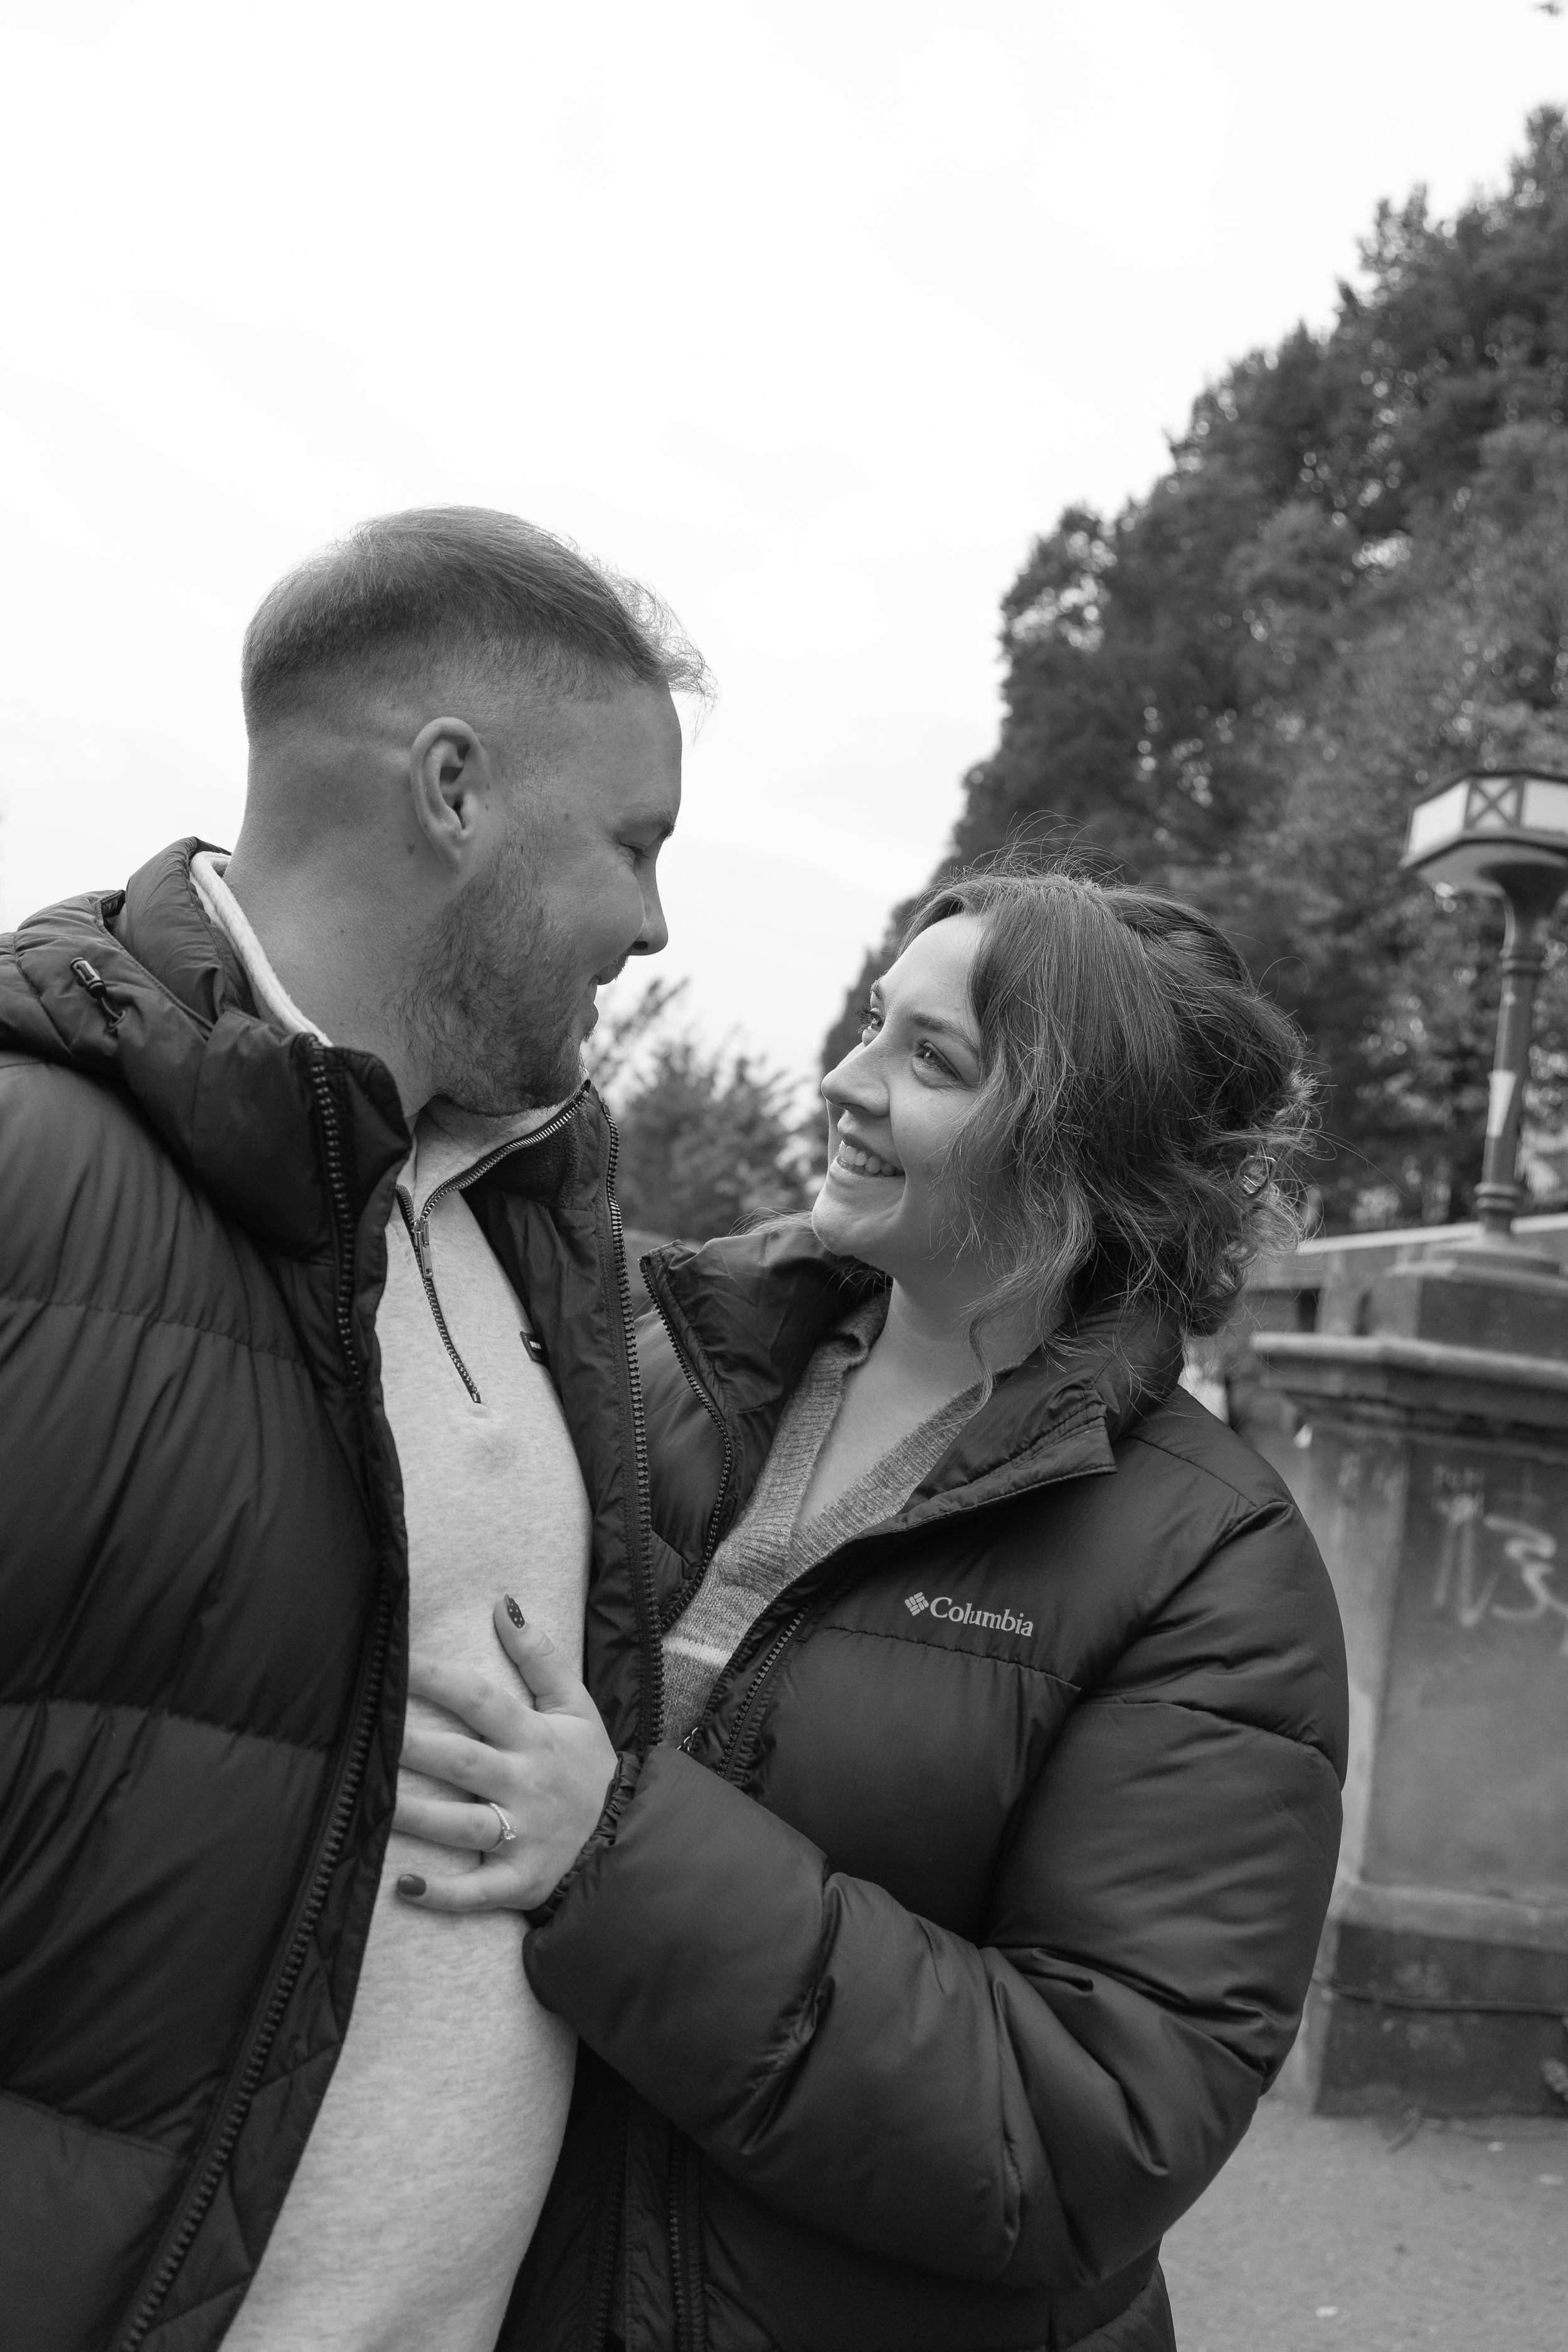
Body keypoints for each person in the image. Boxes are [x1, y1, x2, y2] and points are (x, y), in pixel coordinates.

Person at [398, 866, 1350, 2352]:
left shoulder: (1210, 1560)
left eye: (932, 1059)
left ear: (1075, 1146)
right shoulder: (651, 1366)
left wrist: (618, 1856)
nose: (845, 1082)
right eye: (869, 1025)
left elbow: (1087, 2131)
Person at [0, 507, 707, 2352]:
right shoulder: (25, 1169)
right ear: (453, 790)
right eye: (635, 842)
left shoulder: (533, 1224)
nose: (654, 922)